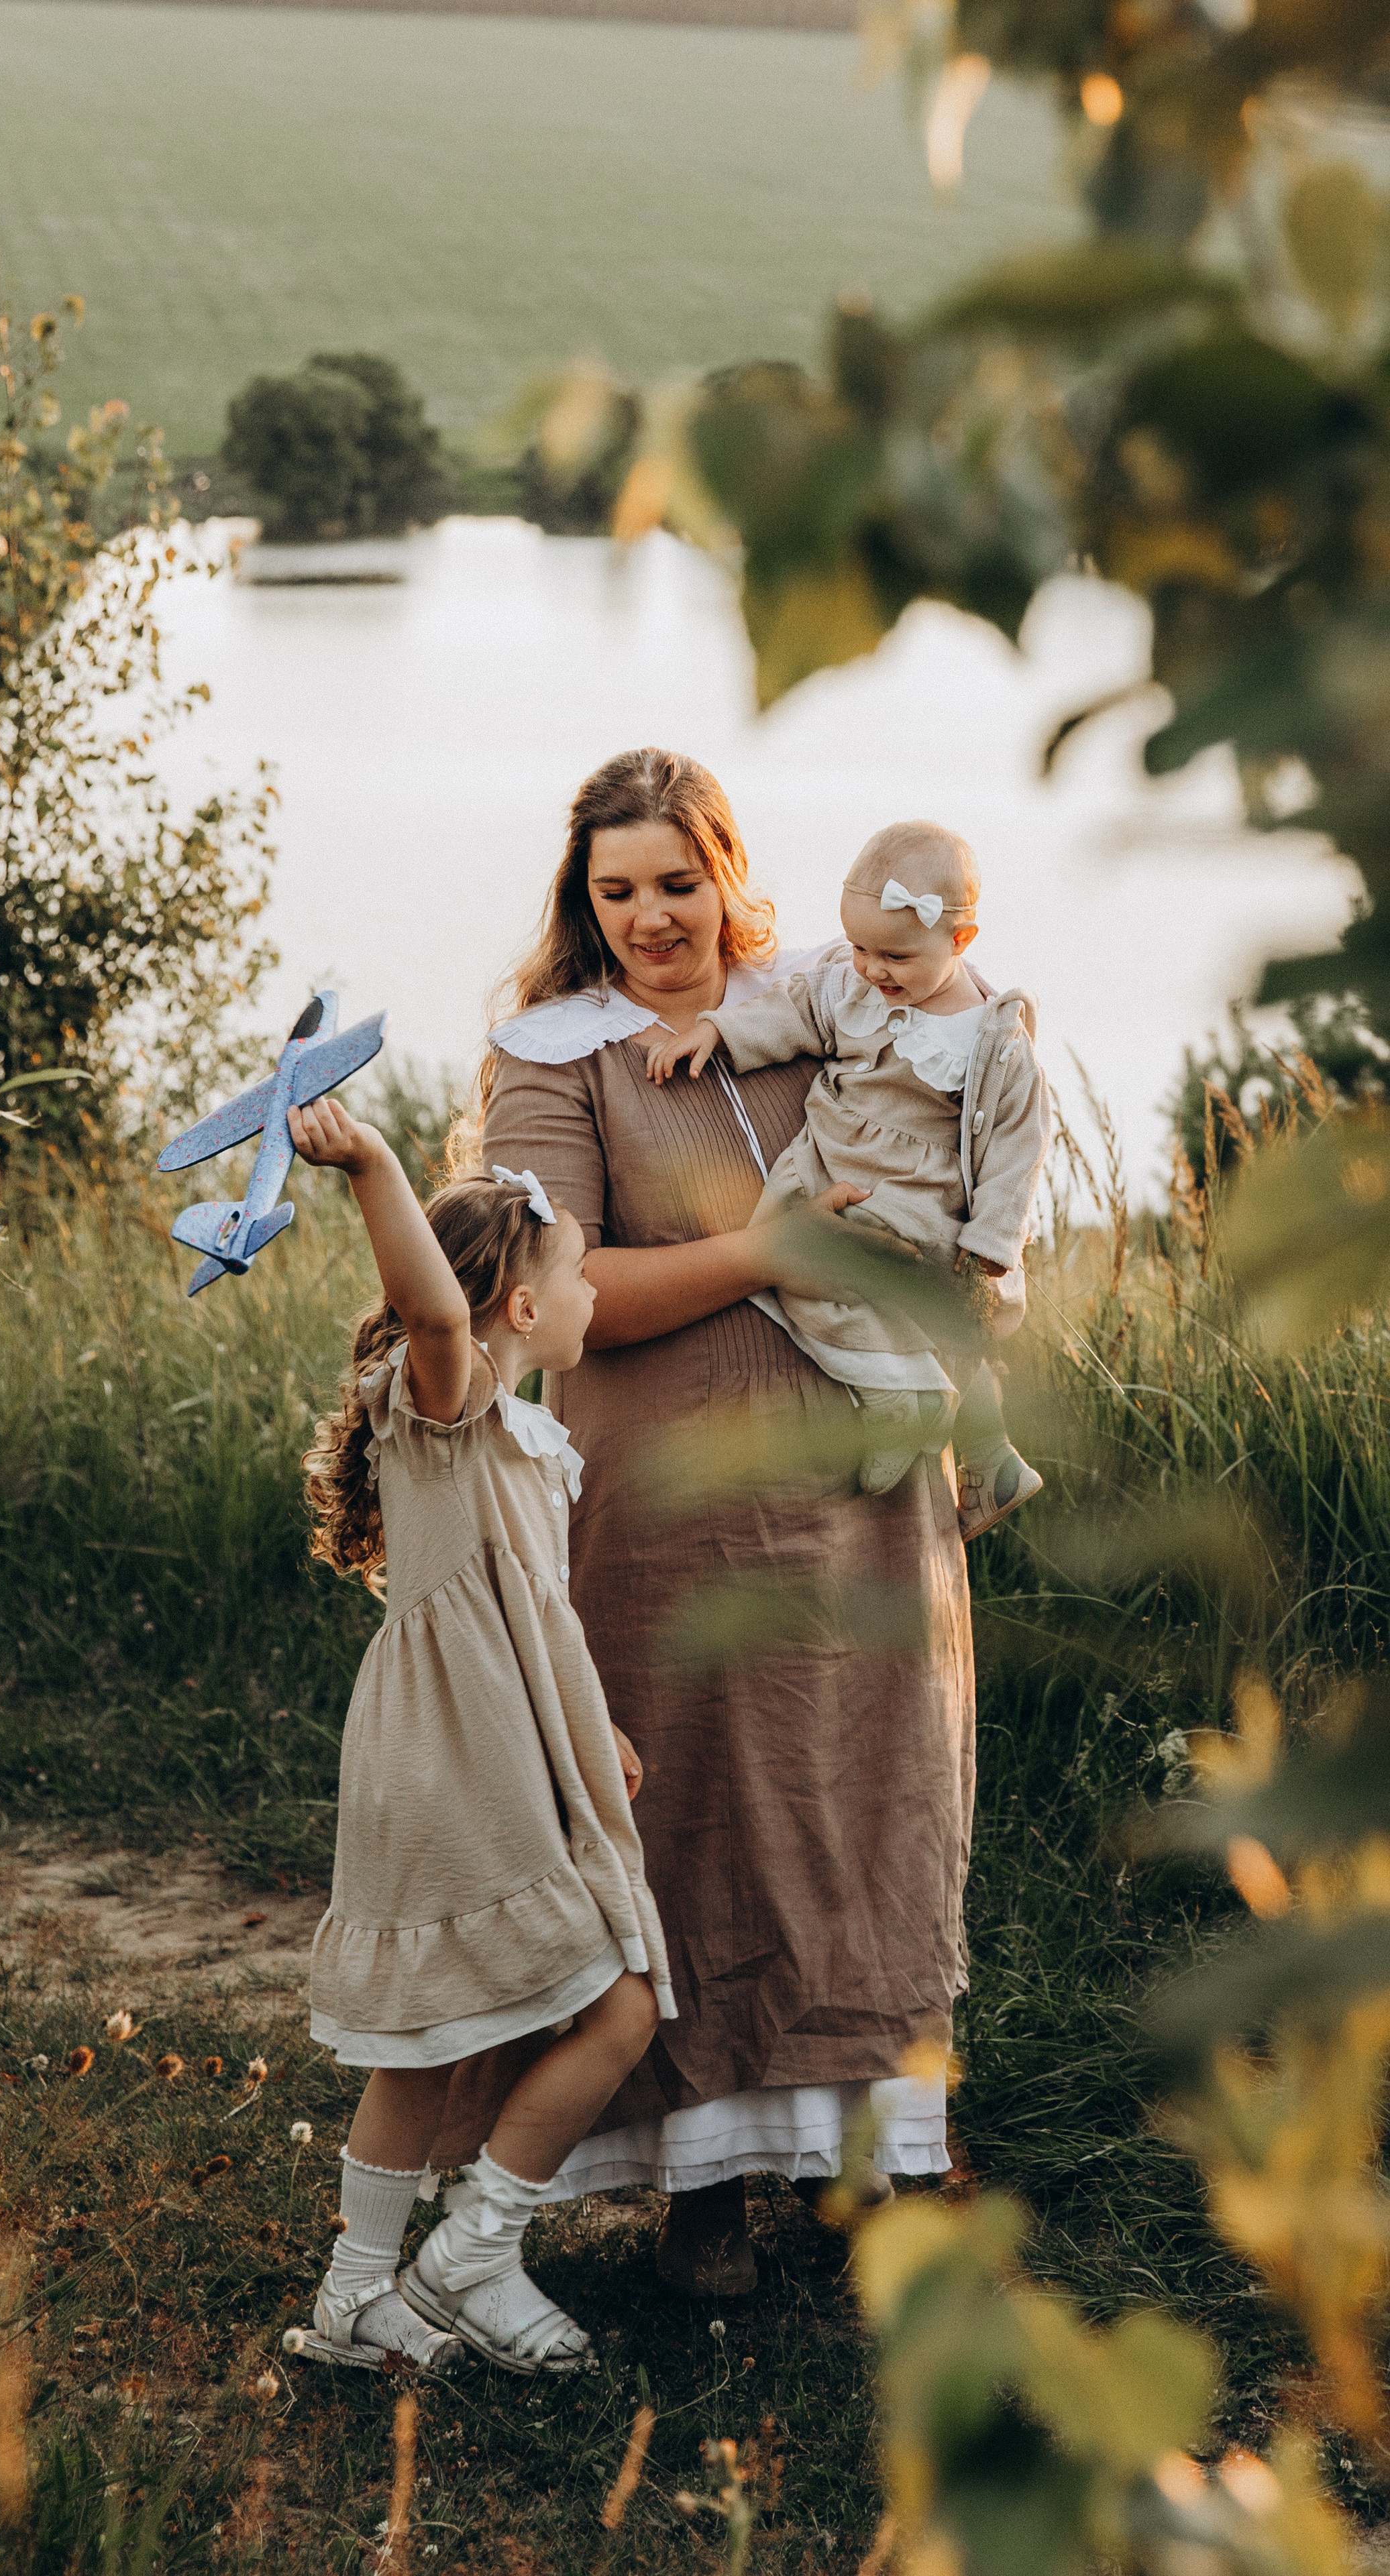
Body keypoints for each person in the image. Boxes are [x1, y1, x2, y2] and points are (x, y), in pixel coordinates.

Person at [466, 746, 975, 2300]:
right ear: (582, 897)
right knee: (687, 1825)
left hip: (851, 1482)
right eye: (614, 892)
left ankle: (891, 2161)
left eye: (674, 884)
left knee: (864, 1809)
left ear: (722, 868)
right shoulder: (554, 1053)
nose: (648, 921)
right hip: (658, 1507)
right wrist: (767, 1249)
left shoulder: (816, 1007)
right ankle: (702, 2184)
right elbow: (564, 1308)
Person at [281, 1094, 674, 2375]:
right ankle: (473, 2250)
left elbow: (532, 1605)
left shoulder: (522, 1432)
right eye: (572, 1275)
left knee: (429, 2033)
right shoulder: (444, 1403)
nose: (590, 1293)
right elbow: (432, 1309)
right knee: (617, 2002)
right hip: (451, 1758)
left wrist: (593, 1717)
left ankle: (362, 2292)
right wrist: (376, 1167)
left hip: (502, 1743)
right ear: (516, 1309)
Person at [644, 817, 1050, 1541]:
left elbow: (1019, 1145)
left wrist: (993, 1239)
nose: (871, 968)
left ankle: (902, 1400)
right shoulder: (851, 990)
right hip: (837, 1168)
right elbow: (792, 1009)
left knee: (835, 1270)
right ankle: (963, 1439)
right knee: (803, 1265)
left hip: (920, 1197)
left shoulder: (992, 1036)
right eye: (859, 947)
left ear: (959, 942)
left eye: (894, 954)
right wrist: (719, 1030)